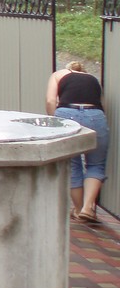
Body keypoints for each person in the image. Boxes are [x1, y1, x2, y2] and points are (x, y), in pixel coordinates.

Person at [46, 61, 109, 224]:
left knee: (72, 163)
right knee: (96, 164)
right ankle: (88, 208)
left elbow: (51, 101)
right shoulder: (92, 78)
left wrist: (55, 123)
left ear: (68, 68)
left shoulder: (58, 74)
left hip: (67, 112)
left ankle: (78, 209)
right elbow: (103, 104)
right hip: (96, 114)